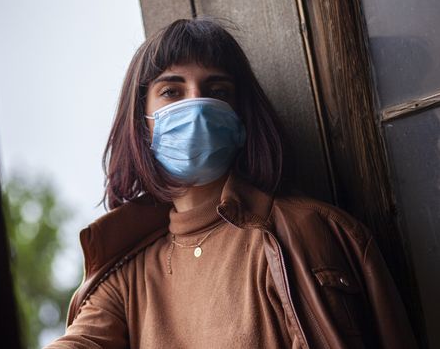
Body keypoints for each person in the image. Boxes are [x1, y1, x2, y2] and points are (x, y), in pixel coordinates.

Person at [46, 18, 417, 349]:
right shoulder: (126, 276)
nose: (198, 106)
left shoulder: (309, 233)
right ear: (141, 121)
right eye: (172, 91)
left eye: (217, 90)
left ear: (242, 117)